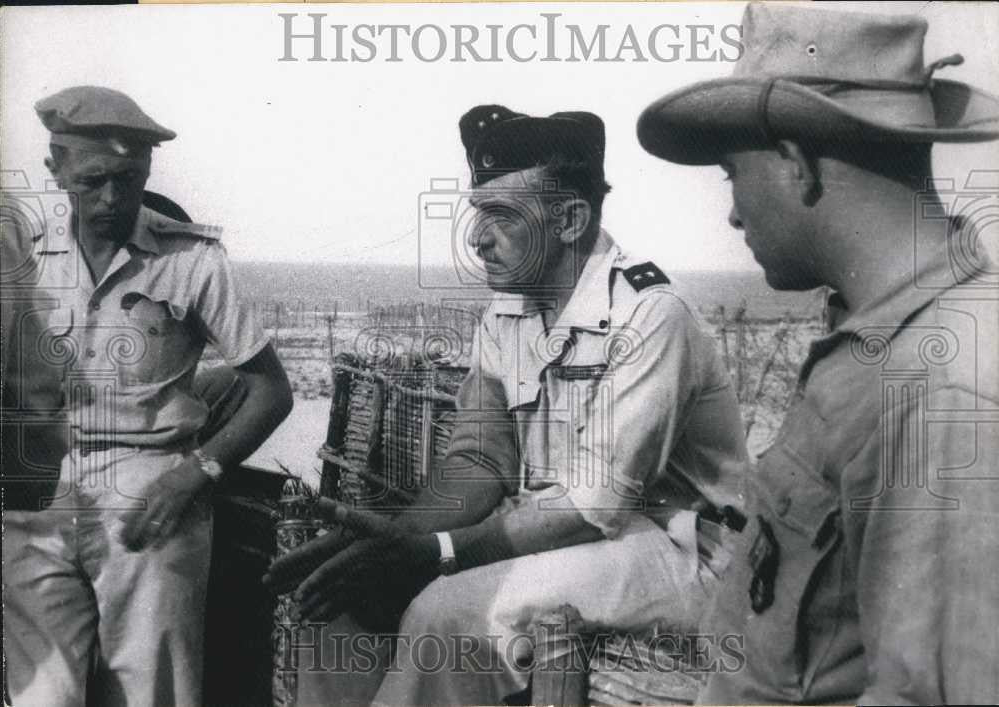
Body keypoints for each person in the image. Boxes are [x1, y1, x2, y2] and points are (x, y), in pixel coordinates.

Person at [264, 105, 749, 705]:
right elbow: (479, 457)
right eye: (477, 214)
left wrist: (437, 552)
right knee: (344, 599)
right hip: (567, 537)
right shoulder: (509, 310)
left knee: (449, 614)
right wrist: (389, 544)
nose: (475, 237)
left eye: (499, 216)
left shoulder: (650, 316)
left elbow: (592, 508)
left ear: (570, 220)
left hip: (679, 549)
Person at [637, 3, 999, 704]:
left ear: (793, 164)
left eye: (730, 175)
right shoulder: (884, 343)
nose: (734, 211)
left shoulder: (940, 383)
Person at [1, 85, 294, 706]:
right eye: (93, 179)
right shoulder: (19, 255)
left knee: (151, 693)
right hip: (36, 491)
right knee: (40, 697)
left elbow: (270, 390)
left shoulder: (193, 261)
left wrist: (197, 473)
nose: (112, 198)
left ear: (149, 171)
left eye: (129, 178)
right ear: (56, 168)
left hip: (153, 493)